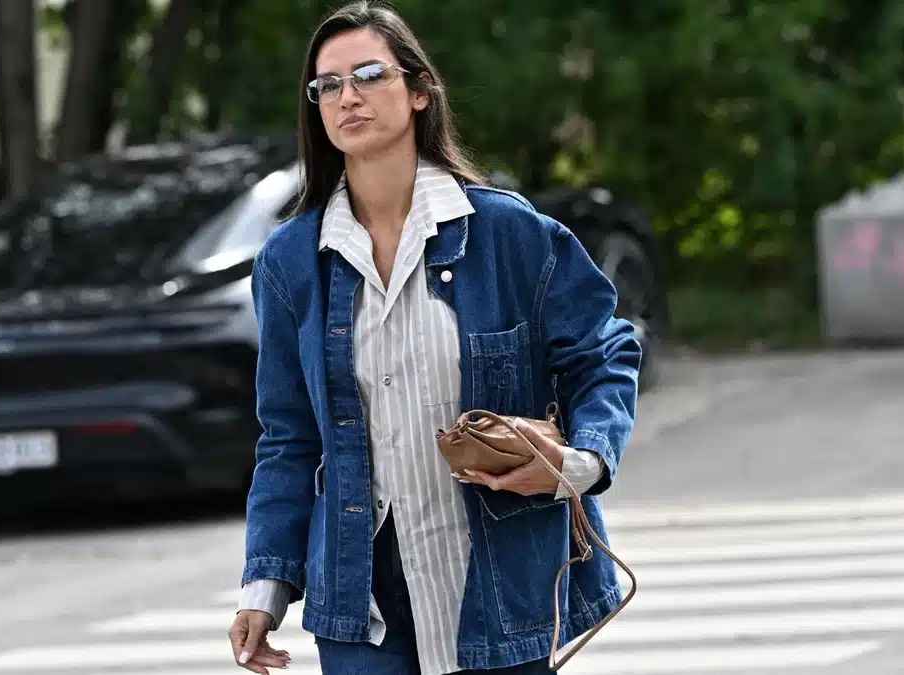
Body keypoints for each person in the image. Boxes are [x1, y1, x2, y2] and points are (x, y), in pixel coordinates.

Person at [226, 2, 640, 673]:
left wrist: (581, 463)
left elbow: (603, 353)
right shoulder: (291, 262)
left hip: (501, 584)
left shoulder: (508, 233)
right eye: (326, 85)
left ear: (419, 91)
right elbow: (288, 437)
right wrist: (264, 586)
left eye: (368, 74)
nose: (347, 96)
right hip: (360, 598)